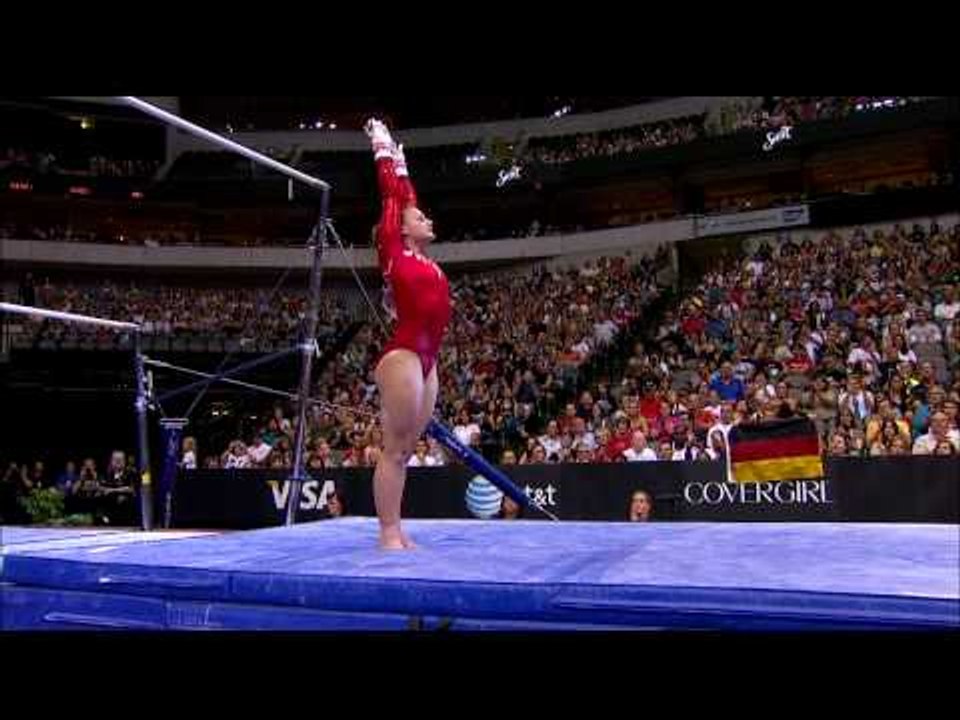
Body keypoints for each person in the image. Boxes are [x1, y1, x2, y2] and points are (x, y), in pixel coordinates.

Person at [366, 118, 451, 550]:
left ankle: (397, 526)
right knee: (394, 446)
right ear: (400, 228)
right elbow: (395, 202)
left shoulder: (422, 257)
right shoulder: (394, 251)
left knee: (406, 451)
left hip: (428, 359)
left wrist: (403, 166)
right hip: (402, 354)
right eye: (420, 217)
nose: (427, 218)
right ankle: (387, 532)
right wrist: (382, 152)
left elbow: (408, 198)